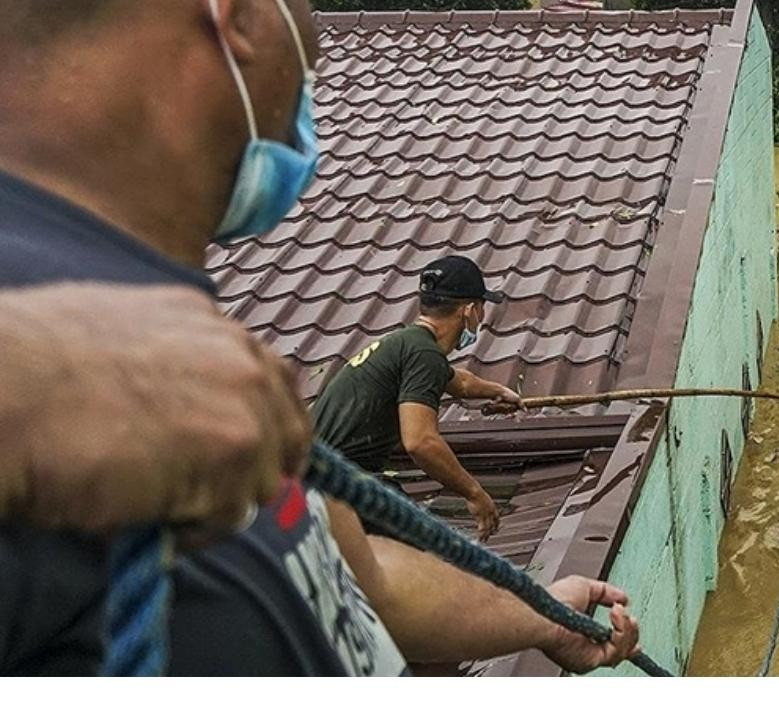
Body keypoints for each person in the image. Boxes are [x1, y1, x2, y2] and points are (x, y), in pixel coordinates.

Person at [0, 0, 638, 676]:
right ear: (235, 15)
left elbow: (367, 583)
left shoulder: (173, 338)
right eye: (309, 59)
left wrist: (539, 611)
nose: (311, 92)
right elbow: (421, 435)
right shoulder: (37, 355)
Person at [311, 256, 520, 541]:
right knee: (429, 556)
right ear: (469, 311)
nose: (481, 317)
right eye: (482, 308)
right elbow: (420, 442)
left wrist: (500, 391)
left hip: (314, 479)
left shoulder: (406, 343)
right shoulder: (424, 355)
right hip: (334, 487)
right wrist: (475, 494)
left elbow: (459, 382)